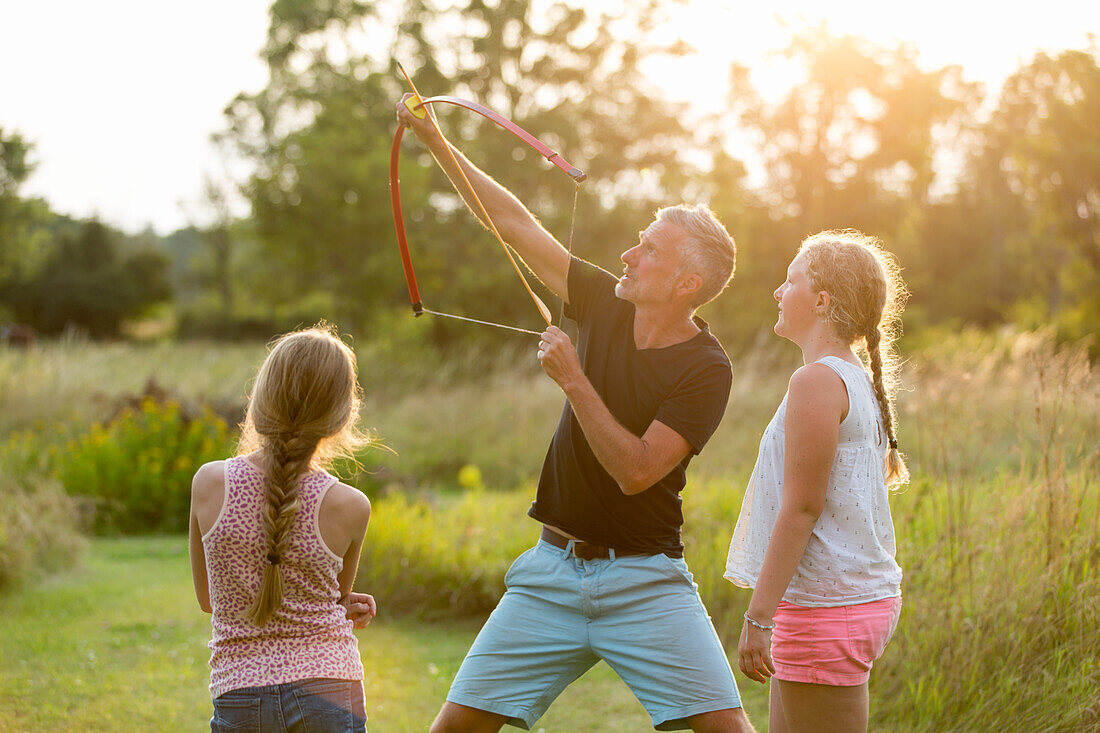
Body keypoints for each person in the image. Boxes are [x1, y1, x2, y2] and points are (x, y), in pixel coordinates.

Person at [397, 95, 754, 733]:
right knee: (451, 730)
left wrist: (574, 380)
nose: (628, 256)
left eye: (649, 251)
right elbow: (512, 222)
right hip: (549, 574)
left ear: (686, 284)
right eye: (637, 244)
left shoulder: (708, 368)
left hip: (646, 581)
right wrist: (435, 140)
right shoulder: (604, 300)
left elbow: (637, 471)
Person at [724, 230, 909, 733]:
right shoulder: (849, 378)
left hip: (829, 609)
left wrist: (758, 617)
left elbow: (801, 508)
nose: (778, 293)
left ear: (822, 301)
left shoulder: (817, 381)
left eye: (790, 281)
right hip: (842, 600)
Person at [189, 325, 378, 733]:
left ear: (259, 401)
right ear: (342, 415)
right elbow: (337, 598)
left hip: (240, 689)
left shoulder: (208, 483)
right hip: (329, 687)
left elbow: (210, 600)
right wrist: (329, 604)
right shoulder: (350, 506)